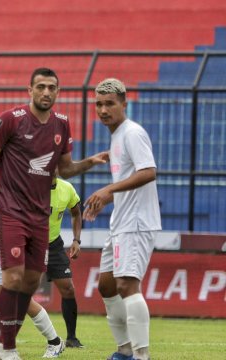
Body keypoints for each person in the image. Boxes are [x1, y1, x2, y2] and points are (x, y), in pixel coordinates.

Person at [0, 67, 108, 360]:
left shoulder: (61, 124)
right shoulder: (10, 120)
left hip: (39, 216)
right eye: (41, 87)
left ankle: (1, 346)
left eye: (52, 88)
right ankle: (7, 348)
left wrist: (90, 162)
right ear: (29, 90)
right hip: (10, 211)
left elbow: (65, 169)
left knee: (31, 282)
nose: (47, 92)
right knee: (12, 278)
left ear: (58, 92)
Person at [83, 78, 161, 360]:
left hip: (137, 223)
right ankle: (125, 350)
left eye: (110, 104)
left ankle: (141, 355)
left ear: (124, 104)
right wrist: (107, 198)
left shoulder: (132, 133)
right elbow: (129, 179)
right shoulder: (116, 137)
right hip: (121, 222)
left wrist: (107, 190)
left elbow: (149, 172)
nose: (103, 110)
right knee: (106, 284)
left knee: (127, 284)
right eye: (99, 104)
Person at [0, 175, 84, 358]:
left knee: (21, 298)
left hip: (28, 244)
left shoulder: (48, 189)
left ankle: (55, 341)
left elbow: (21, 219)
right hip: (4, 241)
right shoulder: (19, 183)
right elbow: (6, 217)